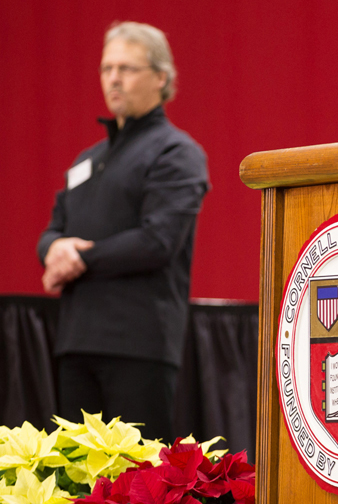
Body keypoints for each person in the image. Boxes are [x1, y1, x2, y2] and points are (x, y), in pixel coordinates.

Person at [37, 22, 210, 441]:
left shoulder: (176, 152)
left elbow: (158, 241)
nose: (114, 78)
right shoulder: (87, 160)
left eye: (127, 68)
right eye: (106, 68)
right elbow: (52, 229)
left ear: (161, 78)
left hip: (138, 345)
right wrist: (52, 248)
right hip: (76, 343)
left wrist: (78, 258)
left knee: (138, 481)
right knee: (76, 477)